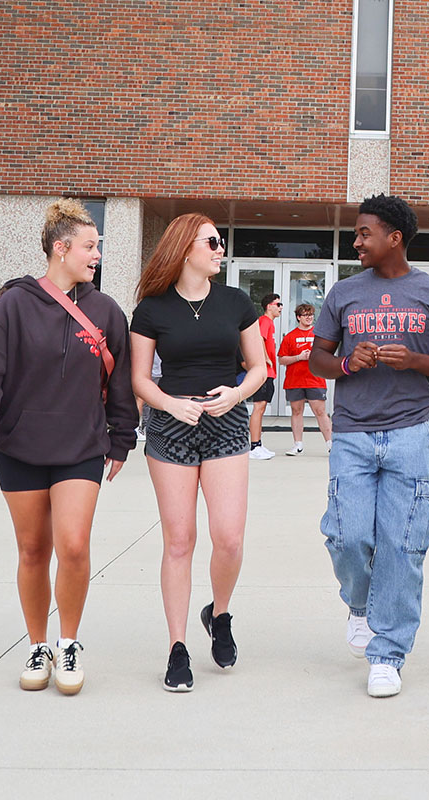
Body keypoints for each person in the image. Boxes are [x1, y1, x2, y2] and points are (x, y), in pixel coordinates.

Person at [0, 199, 136, 696]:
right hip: (19, 446)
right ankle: (38, 644)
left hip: (81, 444)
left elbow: (120, 382)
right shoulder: (12, 305)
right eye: (89, 246)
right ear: (60, 249)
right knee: (33, 549)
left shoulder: (105, 311)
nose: (96, 253)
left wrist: (121, 438)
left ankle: (69, 641)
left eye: (97, 246)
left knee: (75, 546)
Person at [309, 194, 429, 699]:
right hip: (353, 433)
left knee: (402, 544)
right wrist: (347, 364)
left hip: (410, 431)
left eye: (364, 233)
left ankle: (387, 654)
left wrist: (416, 362)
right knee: (348, 536)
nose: (356, 241)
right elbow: (318, 360)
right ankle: (361, 604)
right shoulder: (344, 293)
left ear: (394, 238)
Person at [130, 213, 267, 692]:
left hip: (227, 423)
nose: (219, 248)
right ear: (185, 248)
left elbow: (259, 368)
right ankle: (177, 648)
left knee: (228, 537)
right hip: (171, 428)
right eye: (211, 241)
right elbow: (140, 379)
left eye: (221, 241)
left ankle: (220, 613)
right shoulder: (152, 309)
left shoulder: (235, 302)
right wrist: (170, 404)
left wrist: (235, 395)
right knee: (179, 541)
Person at [278, 303, 332, 455]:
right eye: (305, 315)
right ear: (298, 317)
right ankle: (298, 444)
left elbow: (328, 355)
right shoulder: (290, 337)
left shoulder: (319, 335)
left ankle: (331, 444)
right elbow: (282, 359)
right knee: (296, 411)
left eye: (311, 315)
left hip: (315, 379)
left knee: (320, 411)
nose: (309, 318)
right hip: (295, 380)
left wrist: (315, 356)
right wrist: (298, 357)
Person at [247, 293, 281, 460]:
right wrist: (264, 358)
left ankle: (258, 444)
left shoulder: (270, 324)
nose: (280, 307)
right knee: (258, 407)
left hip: (270, 372)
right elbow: (258, 338)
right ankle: (254, 446)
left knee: (261, 408)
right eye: (278, 304)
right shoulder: (264, 321)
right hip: (264, 372)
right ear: (269, 306)